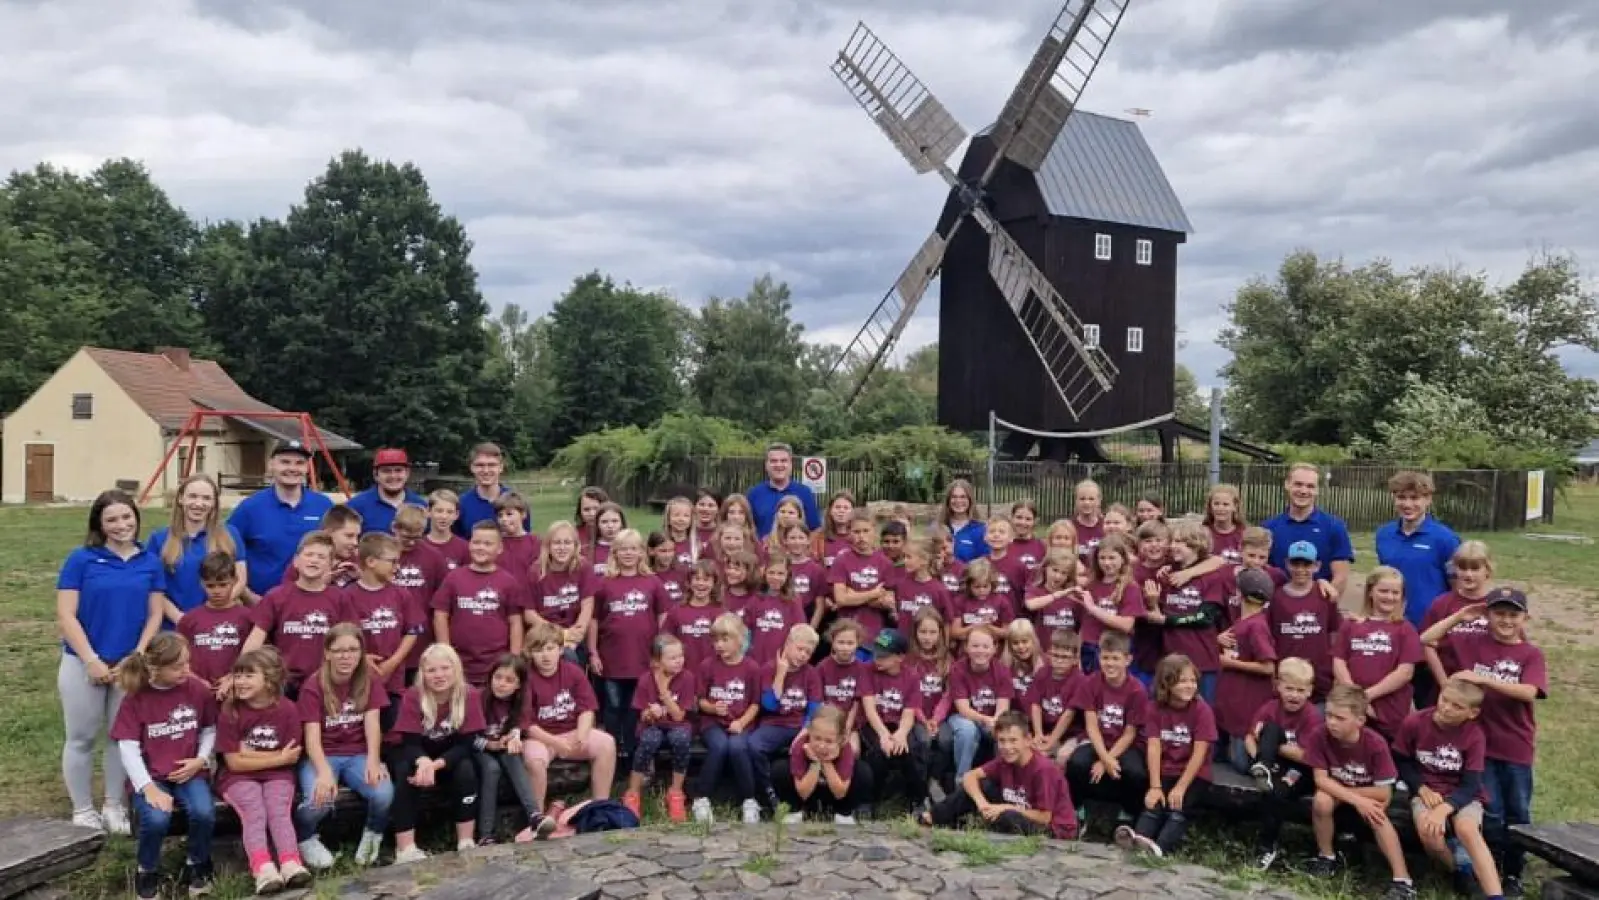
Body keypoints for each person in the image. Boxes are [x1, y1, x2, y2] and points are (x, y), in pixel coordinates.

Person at [1422, 587, 1546, 898]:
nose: (1505, 620)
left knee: (1518, 811)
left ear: (1524, 617)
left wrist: (1485, 679)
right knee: (1491, 813)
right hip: (1480, 746)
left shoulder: (1529, 653)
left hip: (1516, 744)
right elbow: (1427, 640)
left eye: (1513, 614)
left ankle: (1515, 872)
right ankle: (1491, 865)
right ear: (1487, 615)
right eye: (1498, 613)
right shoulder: (1473, 641)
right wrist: (1460, 616)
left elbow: (1530, 691)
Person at [57, 489, 166, 833]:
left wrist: (136, 655)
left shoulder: (149, 560)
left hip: (128, 666)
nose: (121, 525)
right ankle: (82, 809)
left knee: (122, 738)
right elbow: (66, 615)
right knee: (82, 737)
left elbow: (155, 614)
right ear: (100, 525)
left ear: (136, 517)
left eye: (126, 517)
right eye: (112, 519)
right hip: (83, 662)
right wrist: (90, 659)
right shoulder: (81, 559)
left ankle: (114, 805)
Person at [109, 633, 217, 899]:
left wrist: (201, 760)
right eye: (178, 666)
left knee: (203, 812)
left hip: (189, 770)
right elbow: (128, 747)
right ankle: (147, 869)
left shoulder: (197, 689)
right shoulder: (136, 698)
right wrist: (148, 788)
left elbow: (209, 728)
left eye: (187, 663)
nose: (187, 671)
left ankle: (198, 864)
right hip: (152, 775)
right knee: (157, 819)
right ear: (155, 668)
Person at [1300, 684, 1414, 899]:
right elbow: (1321, 780)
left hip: (1368, 792)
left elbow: (1383, 794)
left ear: (1360, 721)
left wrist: (1359, 799)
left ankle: (1402, 880)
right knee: (1321, 801)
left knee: (1376, 812)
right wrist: (1354, 798)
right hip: (1338, 790)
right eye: (1329, 715)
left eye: (1340, 718)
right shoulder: (1319, 734)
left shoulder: (1375, 744)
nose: (1332, 722)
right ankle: (1326, 857)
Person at [1394, 677, 1504, 899]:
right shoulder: (1415, 722)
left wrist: (1446, 807)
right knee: (1430, 832)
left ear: (1472, 713)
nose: (1446, 708)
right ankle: (1458, 870)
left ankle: (1496, 894)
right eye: (1444, 700)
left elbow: (1471, 783)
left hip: (1463, 794)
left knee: (1467, 829)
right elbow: (1401, 760)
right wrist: (1421, 788)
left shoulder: (1474, 735)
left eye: (1457, 706)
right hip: (1427, 791)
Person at [293, 624, 391, 869]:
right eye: (339, 651)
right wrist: (324, 773)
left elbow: (372, 724)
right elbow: (312, 738)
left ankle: (372, 836)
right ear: (327, 653)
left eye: (352, 650)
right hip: (323, 754)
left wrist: (373, 759)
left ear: (361, 652)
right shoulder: (313, 685)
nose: (346, 656)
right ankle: (304, 837)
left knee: (383, 793)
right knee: (319, 801)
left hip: (357, 752)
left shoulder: (369, 680)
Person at [218, 647, 313, 893]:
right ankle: (262, 868)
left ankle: (291, 862)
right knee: (254, 810)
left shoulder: (288, 710)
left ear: (269, 679)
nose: (240, 681)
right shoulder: (231, 711)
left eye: (249, 675)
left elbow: (291, 757)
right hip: (237, 778)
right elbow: (234, 763)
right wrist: (276, 757)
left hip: (279, 776)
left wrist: (249, 752)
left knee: (278, 809)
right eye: (237, 675)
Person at [389, 644, 486, 863]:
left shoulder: (469, 694)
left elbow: (466, 743)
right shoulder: (413, 696)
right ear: (423, 673)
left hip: (450, 754)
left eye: (445, 668)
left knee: (466, 770)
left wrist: (436, 765)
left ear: (456, 669)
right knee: (405, 771)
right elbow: (409, 742)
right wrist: (424, 762)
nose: (439, 675)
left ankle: (466, 840)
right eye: (431, 670)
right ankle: (405, 848)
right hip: (417, 752)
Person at [1375, 471, 1462, 711]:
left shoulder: (1445, 539)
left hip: (1429, 634)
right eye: (1402, 497)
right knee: (1391, 703)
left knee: (1429, 706)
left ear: (1428, 500)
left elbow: (1457, 589)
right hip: (1393, 630)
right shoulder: (1384, 535)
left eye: (1415, 498)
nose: (1408, 504)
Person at [1116, 654, 1216, 858]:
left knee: (1178, 808)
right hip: (1166, 768)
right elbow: (1154, 746)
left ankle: (1159, 849)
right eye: (1182, 681)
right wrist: (1155, 786)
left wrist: (1180, 787)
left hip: (1194, 774)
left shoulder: (1202, 710)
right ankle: (1138, 840)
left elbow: (1199, 753)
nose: (1189, 686)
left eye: (1193, 681)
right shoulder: (1154, 708)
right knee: (1153, 804)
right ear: (1166, 684)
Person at [920, 709, 1077, 838]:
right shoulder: (1005, 760)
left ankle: (977, 828)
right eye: (1002, 741)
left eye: (1013, 740)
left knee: (1007, 817)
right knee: (980, 785)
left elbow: (1044, 817)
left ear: (1028, 740)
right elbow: (969, 777)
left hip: (1053, 829)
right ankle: (934, 817)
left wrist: (1003, 808)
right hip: (1017, 806)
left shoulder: (1043, 769)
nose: (1007, 747)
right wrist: (982, 804)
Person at [521, 623, 617, 831]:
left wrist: (581, 735)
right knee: (535, 761)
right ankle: (536, 819)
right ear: (530, 653)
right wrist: (555, 742)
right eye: (538, 650)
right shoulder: (526, 677)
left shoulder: (572, 671)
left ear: (561, 650)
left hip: (571, 731)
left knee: (606, 743)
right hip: (541, 737)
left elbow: (587, 709)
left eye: (550, 649)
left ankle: (600, 807)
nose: (545, 656)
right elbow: (527, 725)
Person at [242, 531, 355, 698]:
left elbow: (351, 640)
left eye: (321, 557)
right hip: (283, 683)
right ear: (296, 562)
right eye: (309, 554)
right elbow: (255, 639)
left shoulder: (339, 598)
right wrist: (241, 672)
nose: (314, 560)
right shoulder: (276, 596)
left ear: (331, 565)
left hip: (325, 681)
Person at [588, 529, 670, 756]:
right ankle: (613, 752)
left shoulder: (652, 582)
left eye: (633, 549)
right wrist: (594, 652)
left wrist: (660, 653)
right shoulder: (604, 583)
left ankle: (636, 753)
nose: (628, 553)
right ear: (614, 552)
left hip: (644, 658)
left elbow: (663, 618)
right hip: (612, 659)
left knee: (638, 707)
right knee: (614, 707)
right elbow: (593, 620)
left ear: (641, 552)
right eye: (623, 549)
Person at [229, 440, 335, 601]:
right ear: (271, 465)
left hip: (314, 604)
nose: (292, 468)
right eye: (285, 462)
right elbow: (226, 552)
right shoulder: (250, 508)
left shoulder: (324, 506)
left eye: (299, 463)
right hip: (261, 603)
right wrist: (247, 595)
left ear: (307, 468)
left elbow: (339, 551)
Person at [1246, 658, 1324, 871]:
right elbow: (1250, 737)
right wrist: (1259, 758)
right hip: (1272, 764)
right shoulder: (1270, 708)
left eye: (1300, 690)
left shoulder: (1312, 716)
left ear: (1309, 691)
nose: (1294, 695)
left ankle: (1267, 846)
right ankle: (1263, 768)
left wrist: (1275, 747)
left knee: (1276, 793)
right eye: (1289, 688)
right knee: (1269, 728)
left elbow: (1308, 757)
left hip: (1299, 769)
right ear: (1278, 686)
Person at [1065, 631, 1148, 822]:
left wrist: (1106, 761)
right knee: (1076, 763)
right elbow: (1092, 726)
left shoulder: (1137, 690)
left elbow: (1129, 733)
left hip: (1126, 744)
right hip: (1097, 740)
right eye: (1105, 658)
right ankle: (1076, 809)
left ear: (1128, 660)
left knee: (1135, 773)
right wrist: (1103, 756)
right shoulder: (1091, 683)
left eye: (1115, 658)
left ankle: (1128, 814)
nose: (1109, 663)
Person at [1332, 567, 1423, 741]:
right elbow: (1339, 661)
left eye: (1395, 592)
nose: (1389, 597)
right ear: (1371, 592)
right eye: (1383, 591)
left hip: (1389, 712)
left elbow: (1405, 673)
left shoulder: (1405, 629)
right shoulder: (1351, 625)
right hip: (1351, 709)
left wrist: (1365, 697)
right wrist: (1355, 698)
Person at [431, 520, 526, 687]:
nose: (480, 547)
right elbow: (440, 615)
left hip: (496, 664)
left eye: (488, 544)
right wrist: (446, 652)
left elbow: (515, 622)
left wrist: (513, 658)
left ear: (499, 548)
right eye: (476, 542)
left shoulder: (508, 582)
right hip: (459, 663)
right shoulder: (454, 578)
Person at [149, 474, 247, 622]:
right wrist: (181, 619)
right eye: (193, 496)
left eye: (206, 498)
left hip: (217, 622)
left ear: (214, 503)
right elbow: (153, 589)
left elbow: (240, 579)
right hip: (174, 625)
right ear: (181, 499)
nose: (199, 504)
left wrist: (212, 612)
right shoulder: (159, 538)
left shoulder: (230, 535)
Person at [696, 613, 764, 824]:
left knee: (737, 747)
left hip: (741, 722)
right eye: (716, 640)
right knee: (719, 746)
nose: (719, 645)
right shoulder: (707, 665)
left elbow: (755, 704)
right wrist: (713, 708)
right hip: (712, 722)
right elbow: (700, 701)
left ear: (740, 640)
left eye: (725, 640)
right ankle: (702, 799)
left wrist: (741, 722)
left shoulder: (751, 668)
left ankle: (749, 801)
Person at [748, 625, 823, 812]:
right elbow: (770, 705)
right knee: (754, 745)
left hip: (801, 725)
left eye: (808, 652)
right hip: (775, 723)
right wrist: (781, 673)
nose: (803, 655)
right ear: (788, 644)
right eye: (800, 649)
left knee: (813, 747)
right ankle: (767, 791)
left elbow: (814, 709)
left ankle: (809, 800)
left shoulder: (811, 673)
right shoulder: (769, 669)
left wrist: (805, 731)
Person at [625, 634, 698, 823]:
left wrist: (664, 694)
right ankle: (632, 793)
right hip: (653, 725)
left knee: (681, 740)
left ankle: (675, 792)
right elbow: (641, 714)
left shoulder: (687, 678)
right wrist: (650, 713)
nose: (678, 661)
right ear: (657, 661)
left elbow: (679, 716)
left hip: (677, 724)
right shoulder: (645, 679)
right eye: (672, 658)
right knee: (649, 740)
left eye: (680, 656)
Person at [1214, 568, 1278, 773]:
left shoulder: (1257, 626)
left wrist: (1229, 663)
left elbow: (1268, 666)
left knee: (1242, 764)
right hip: (1234, 705)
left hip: (1247, 706)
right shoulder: (1243, 622)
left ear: (1239, 594)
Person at [1263, 463, 1354, 598]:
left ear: (1317, 490)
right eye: (1298, 484)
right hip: (1278, 607)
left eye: (1310, 486)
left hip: (1318, 608)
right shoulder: (1269, 528)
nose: (1304, 491)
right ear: (1287, 484)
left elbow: (1340, 577)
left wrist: (1320, 604)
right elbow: (1262, 571)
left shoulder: (1335, 527)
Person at [1267, 541, 1343, 702]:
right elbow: (1270, 638)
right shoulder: (1277, 597)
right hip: (1287, 674)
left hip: (1320, 676)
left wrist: (1335, 669)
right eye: (1296, 564)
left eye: (1307, 564)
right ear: (1287, 564)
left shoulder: (1325, 595)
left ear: (1317, 565)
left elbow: (1335, 632)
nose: (1301, 570)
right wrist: (1274, 673)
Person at [860, 628, 928, 807]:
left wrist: (901, 734)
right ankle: (868, 801)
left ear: (900, 657)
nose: (877, 659)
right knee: (878, 753)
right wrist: (883, 735)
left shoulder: (911, 677)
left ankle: (918, 801)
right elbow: (870, 709)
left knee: (911, 750)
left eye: (883, 656)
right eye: (876, 654)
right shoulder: (867, 671)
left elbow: (909, 712)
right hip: (875, 723)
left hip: (899, 723)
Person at [777, 706, 873, 824]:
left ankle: (843, 813)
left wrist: (827, 763)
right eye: (817, 738)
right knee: (780, 769)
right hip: (809, 795)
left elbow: (840, 793)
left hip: (834, 796)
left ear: (840, 739)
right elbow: (803, 792)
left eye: (829, 741)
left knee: (863, 771)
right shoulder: (801, 745)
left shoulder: (845, 748)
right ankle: (795, 811)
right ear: (809, 732)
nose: (822, 746)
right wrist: (815, 763)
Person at [178, 551, 255, 699]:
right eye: (211, 586)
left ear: (234, 580)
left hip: (237, 692)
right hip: (196, 692)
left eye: (222, 585)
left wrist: (235, 677)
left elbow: (256, 657)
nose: (217, 591)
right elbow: (177, 659)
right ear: (201, 583)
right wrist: (196, 680)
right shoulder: (189, 619)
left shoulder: (247, 617)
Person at [943, 626, 1013, 785]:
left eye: (985, 646)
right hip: (963, 716)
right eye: (975, 646)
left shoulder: (1002, 671)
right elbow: (963, 709)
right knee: (968, 730)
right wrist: (985, 719)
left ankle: (1001, 782)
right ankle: (962, 780)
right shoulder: (958, 669)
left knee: (1004, 730)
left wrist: (995, 721)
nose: (980, 651)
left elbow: (1003, 706)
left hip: (991, 716)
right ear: (966, 647)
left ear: (995, 648)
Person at [1028, 629, 1085, 768]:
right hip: (1045, 729)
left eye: (1065, 657)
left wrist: (1051, 742)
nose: (1059, 660)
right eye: (1055, 655)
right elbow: (1035, 705)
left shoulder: (1080, 680)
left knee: (1062, 756)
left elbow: (1068, 715)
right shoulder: (1042, 673)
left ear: (1075, 659)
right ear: (1048, 654)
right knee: (1026, 749)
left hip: (1071, 733)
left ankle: (1060, 787)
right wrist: (1039, 734)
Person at [747, 442, 822, 539]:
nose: (779, 465)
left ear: (791, 464)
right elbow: (747, 528)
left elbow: (814, 529)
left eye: (783, 461)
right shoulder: (754, 494)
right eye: (773, 461)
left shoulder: (804, 493)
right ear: (766, 465)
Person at [346, 448, 427, 537]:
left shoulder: (421, 506)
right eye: (386, 471)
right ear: (375, 475)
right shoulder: (356, 507)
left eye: (398, 470)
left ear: (407, 473)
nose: (393, 476)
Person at [455, 442, 527, 539]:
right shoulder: (461, 504)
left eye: (492, 465)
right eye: (480, 465)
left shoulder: (517, 501)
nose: (486, 471)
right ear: (472, 467)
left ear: (501, 467)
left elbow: (525, 540)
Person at [938, 479, 987, 563]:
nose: (958, 501)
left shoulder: (981, 530)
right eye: (954, 497)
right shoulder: (936, 527)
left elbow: (984, 565)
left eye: (963, 497)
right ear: (948, 500)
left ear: (970, 500)